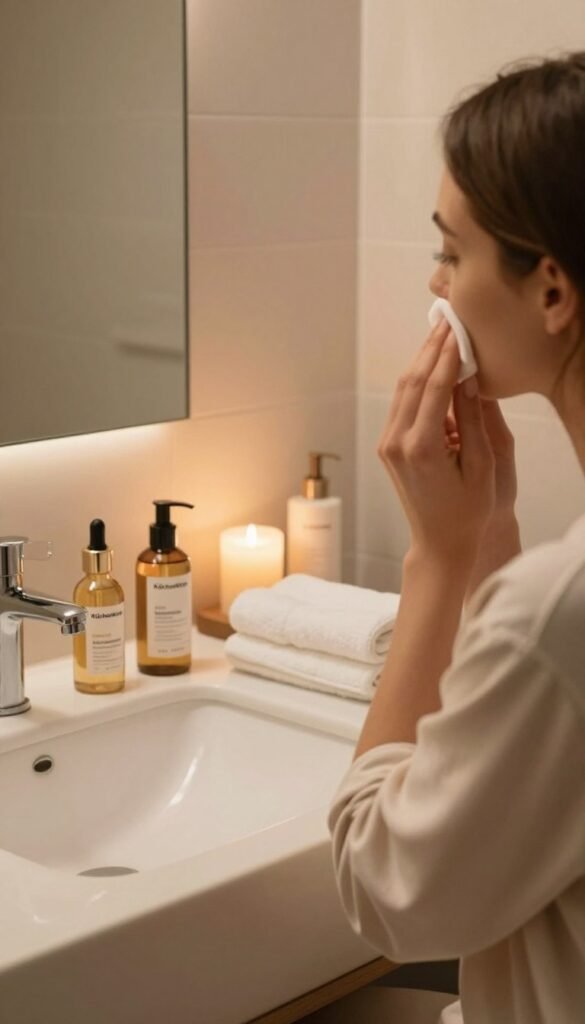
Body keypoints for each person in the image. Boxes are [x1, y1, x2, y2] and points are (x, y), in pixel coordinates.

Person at [328, 52, 585, 1024]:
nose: (435, 282)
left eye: (451, 251)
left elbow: (383, 884)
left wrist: (437, 559)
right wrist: (493, 534)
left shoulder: (561, 609)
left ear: (551, 290)